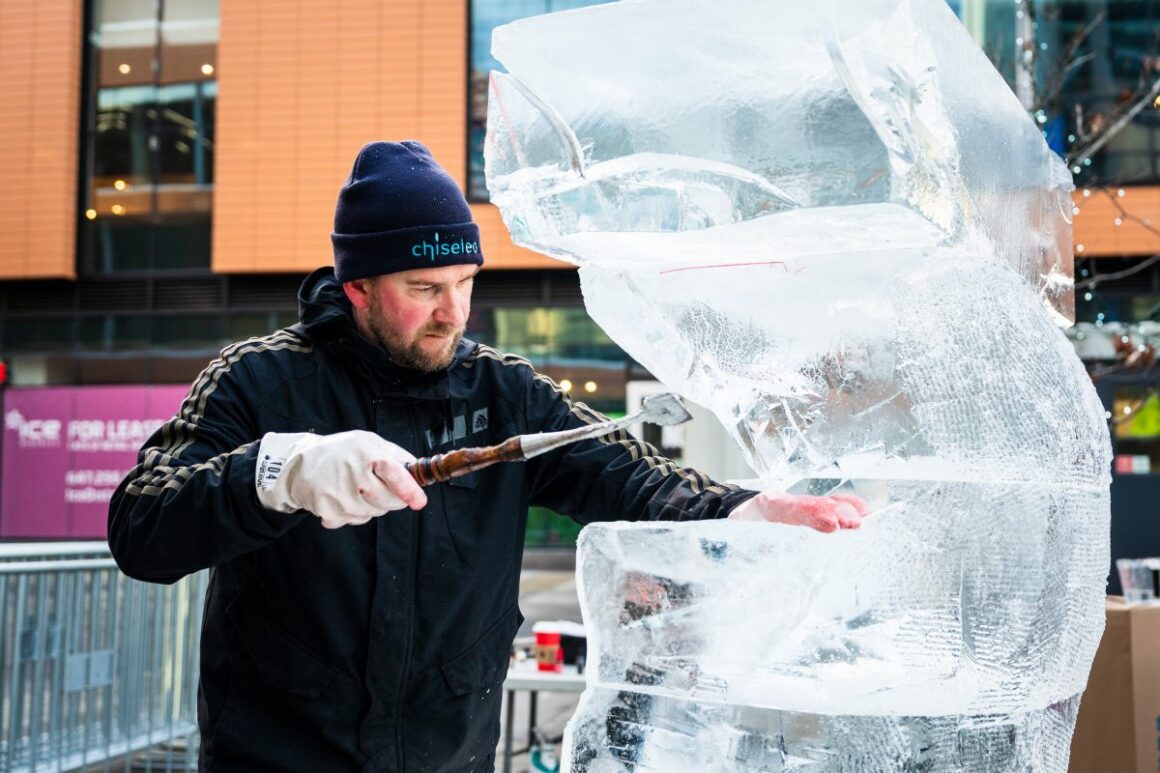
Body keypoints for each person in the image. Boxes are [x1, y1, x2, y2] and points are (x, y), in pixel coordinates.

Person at [108, 140, 868, 772]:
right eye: (424, 287)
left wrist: (741, 506)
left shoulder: (505, 394)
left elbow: (624, 470)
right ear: (359, 286)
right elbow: (141, 523)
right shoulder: (258, 378)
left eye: (466, 284)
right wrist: (277, 473)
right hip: (275, 759)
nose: (452, 312)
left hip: (451, 759)